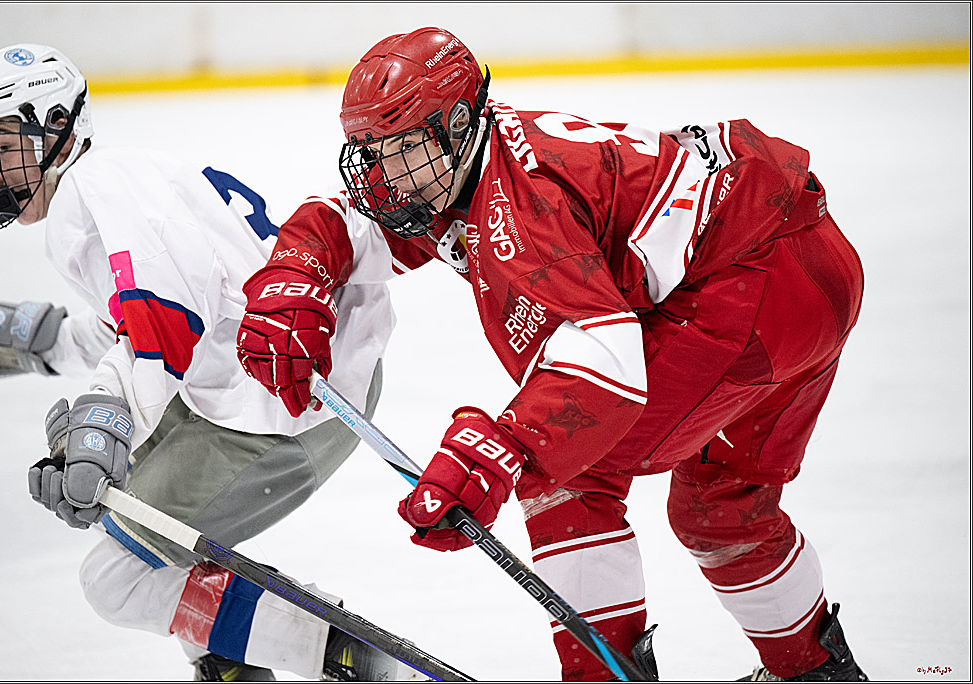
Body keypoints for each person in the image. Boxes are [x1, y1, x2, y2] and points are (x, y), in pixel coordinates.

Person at [235, 27, 868, 682]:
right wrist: (296, 270)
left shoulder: (520, 210)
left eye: (395, 150)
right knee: (722, 507)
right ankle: (817, 672)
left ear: (455, 126)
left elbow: (605, 362)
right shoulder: (465, 163)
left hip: (755, 292)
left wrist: (500, 448)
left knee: (568, 465)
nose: (379, 175)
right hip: (808, 263)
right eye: (367, 150)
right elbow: (348, 222)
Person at [0, 43, 413, 682]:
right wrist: (33, 342)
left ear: (56, 131)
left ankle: (342, 652)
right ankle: (232, 662)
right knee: (134, 528)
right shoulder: (121, 180)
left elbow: (166, 326)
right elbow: (148, 320)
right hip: (282, 380)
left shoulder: (92, 190)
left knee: (116, 576)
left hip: (285, 403)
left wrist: (103, 424)